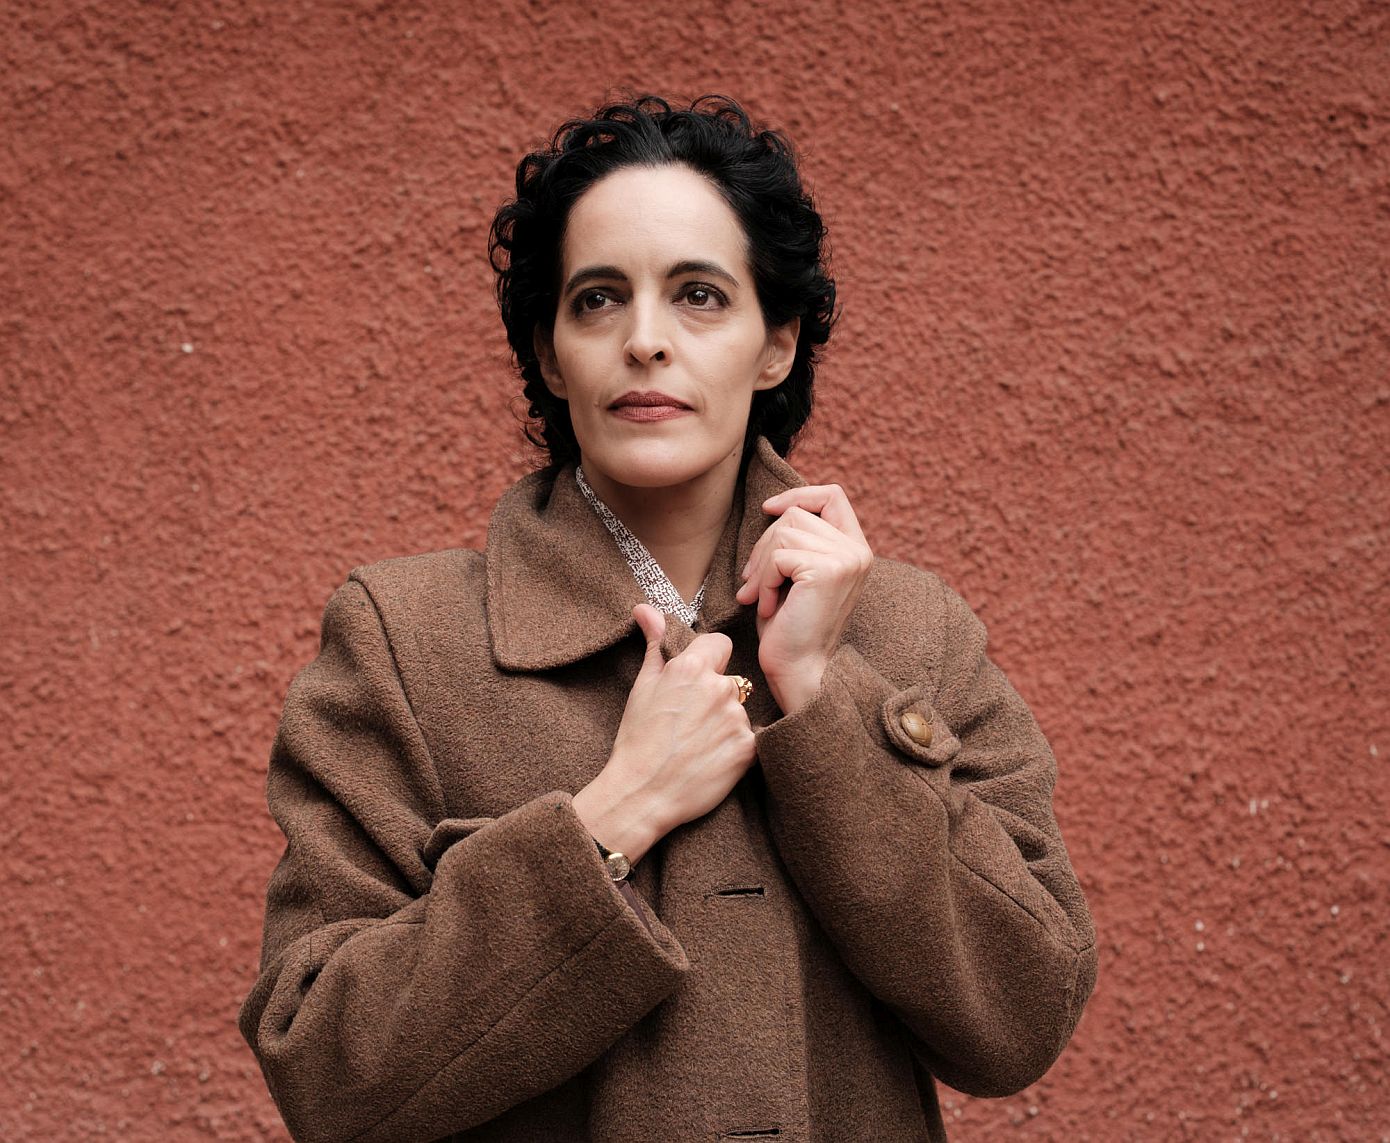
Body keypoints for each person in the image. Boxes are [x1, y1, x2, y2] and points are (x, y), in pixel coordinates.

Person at [238, 93, 1097, 1143]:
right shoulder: (404, 642)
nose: (644, 341)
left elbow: (1021, 1021)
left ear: (775, 344)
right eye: (598, 299)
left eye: (698, 295)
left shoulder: (914, 632)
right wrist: (613, 815)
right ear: (550, 354)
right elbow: (324, 1068)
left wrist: (825, 701)